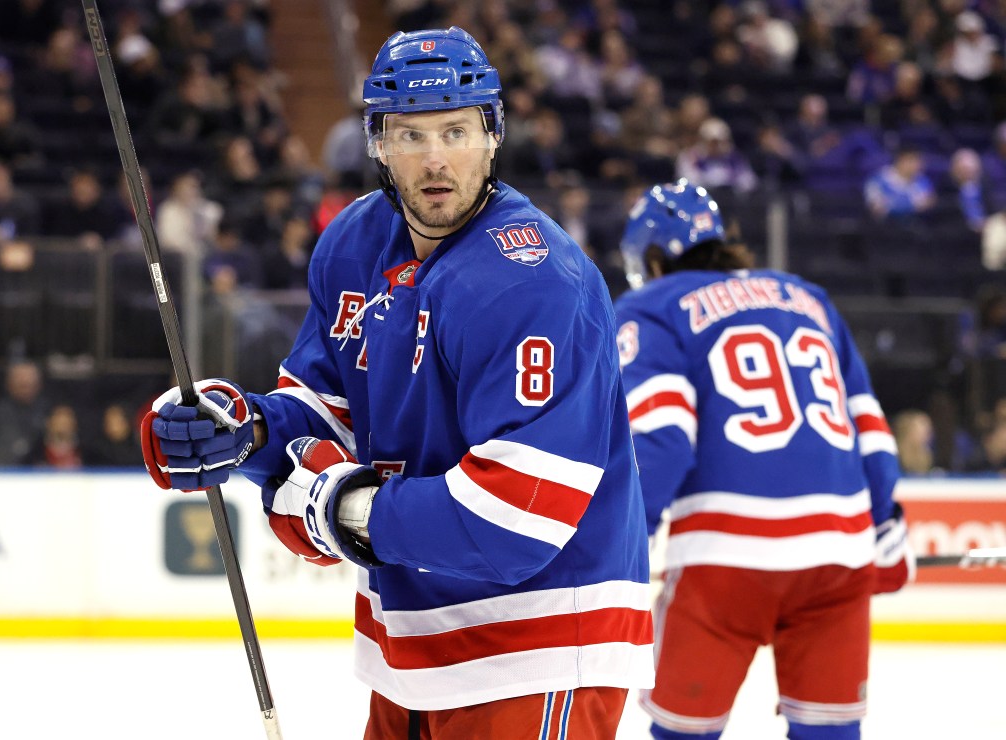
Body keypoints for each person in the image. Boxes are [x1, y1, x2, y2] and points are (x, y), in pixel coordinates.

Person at [139, 27, 653, 738]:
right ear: (376, 142)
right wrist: (243, 431)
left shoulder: (534, 281)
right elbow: (328, 413)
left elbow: (519, 516)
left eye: (456, 130)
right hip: (410, 646)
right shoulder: (355, 243)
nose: (435, 159)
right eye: (409, 135)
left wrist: (342, 508)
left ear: (494, 134)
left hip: (536, 645)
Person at [612, 180, 915, 740]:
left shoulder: (649, 307)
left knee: (683, 731)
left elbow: (662, 442)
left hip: (727, 557)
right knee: (828, 732)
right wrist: (886, 518)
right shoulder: (808, 297)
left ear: (651, 259)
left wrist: (625, 544)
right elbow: (867, 424)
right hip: (840, 553)